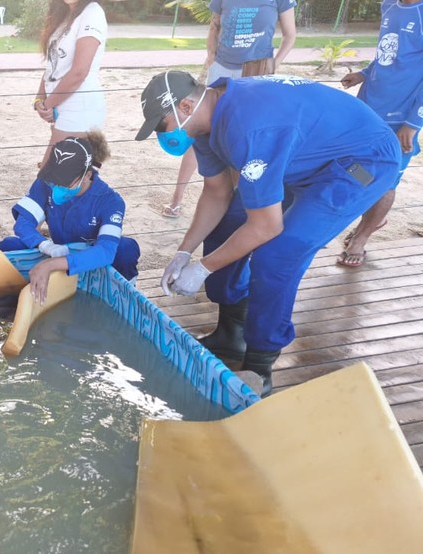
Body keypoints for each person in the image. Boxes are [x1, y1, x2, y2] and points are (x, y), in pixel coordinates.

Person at [135, 71, 402, 397]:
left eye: (161, 125)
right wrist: (184, 252)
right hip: (305, 154)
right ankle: (232, 333)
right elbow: (217, 192)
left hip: (361, 161)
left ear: (186, 105)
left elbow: (266, 226)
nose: (162, 134)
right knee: (229, 222)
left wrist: (203, 269)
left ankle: (260, 365)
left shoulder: (250, 128)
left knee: (279, 252)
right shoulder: (206, 124)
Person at [161, 0, 296, 219]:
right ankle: (177, 198)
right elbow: (214, 26)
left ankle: (232, 202)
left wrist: (274, 63)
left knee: (242, 136)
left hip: (256, 72)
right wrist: (211, 55)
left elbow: (290, 35)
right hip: (222, 69)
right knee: (198, 131)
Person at [0, 131, 139, 304]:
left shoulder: (110, 201)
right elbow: (23, 223)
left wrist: (53, 265)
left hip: (89, 260)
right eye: (54, 179)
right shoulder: (44, 184)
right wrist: (44, 245)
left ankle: (124, 299)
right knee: (8, 246)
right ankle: (9, 303)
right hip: (56, 250)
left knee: (126, 248)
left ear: (87, 176)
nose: (57, 185)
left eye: (65, 181)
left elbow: (105, 252)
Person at [336, 0, 422, 267]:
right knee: (350, 166)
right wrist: (364, 73)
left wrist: (414, 122)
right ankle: (374, 216)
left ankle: (361, 237)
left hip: (401, 120)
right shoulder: (388, 5)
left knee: (386, 182)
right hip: (368, 107)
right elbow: (390, 54)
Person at [33, 0, 107, 166]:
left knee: (52, 176)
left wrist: (48, 105)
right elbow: (53, 66)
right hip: (61, 104)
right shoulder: (64, 15)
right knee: (71, 178)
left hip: (79, 107)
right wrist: (39, 98)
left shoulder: (92, 13)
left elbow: (79, 72)